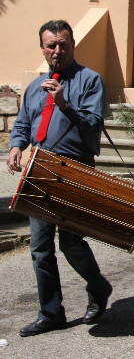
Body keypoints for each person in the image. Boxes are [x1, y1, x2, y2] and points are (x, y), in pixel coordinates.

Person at [8, 20, 112, 337]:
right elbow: (25, 122)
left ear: (72, 45)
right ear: (42, 48)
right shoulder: (35, 87)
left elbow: (93, 124)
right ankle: (50, 312)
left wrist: (65, 103)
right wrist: (16, 146)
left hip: (75, 170)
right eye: (51, 45)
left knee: (70, 242)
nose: (57, 50)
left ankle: (98, 287)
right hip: (40, 171)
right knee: (40, 247)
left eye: (62, 44)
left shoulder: (90, 81)